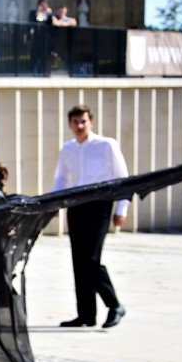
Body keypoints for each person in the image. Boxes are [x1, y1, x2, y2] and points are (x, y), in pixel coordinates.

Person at [51, 104, 129, 329]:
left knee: (91, 259)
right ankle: (86, 314)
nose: (79, 126)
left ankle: (114, 305)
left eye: (83, 121)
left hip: (99, 206)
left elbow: (122, 178)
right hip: (76, 207)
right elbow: (61, 179)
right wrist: (54, 204)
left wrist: (121, 209)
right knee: (78, 261)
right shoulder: (68, 149)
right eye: (75, 122)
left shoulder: (106, 146)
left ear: (91, 122)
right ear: (69, 125)